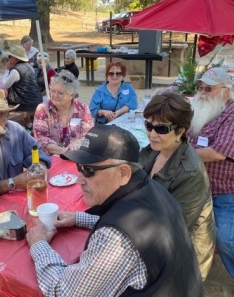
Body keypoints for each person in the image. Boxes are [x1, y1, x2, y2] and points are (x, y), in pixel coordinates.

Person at [27, 125, 203, 296]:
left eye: (88, 170)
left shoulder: (115, 239)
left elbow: (65, 292)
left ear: (123, 173)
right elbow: (135, 230)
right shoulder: (152, 188)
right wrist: (79, 218)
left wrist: (39, 245)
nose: (79, 180)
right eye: (79, 167)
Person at [188, 67, 234, 297]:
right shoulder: (202, 111)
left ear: (225, 91)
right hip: (197, 183)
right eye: (200, 87)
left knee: (225, 236)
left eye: (208, 88)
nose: (202, 92)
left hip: (226, 189)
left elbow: (217, 153)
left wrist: (179, 152)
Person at [138, 91, 215, 281]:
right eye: (148, 125)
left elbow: (173, 227)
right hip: (154, 231)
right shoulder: (154, 150)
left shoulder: (190, 172)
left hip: (184, 252)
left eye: (161, 129)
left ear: (180, 131)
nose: (152, 134)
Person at [33, 71, 93, 156]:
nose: (54, 95)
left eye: (60, 93)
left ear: (72, 95)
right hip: (52, 158)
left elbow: (89, 134)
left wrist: (79, 142)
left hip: (77, 155)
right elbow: (41, 138)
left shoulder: (82, 108)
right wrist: (63, 151)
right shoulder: (43, 109)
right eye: (52, 91)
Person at [2, 45, 42, 130]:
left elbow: (5, 85)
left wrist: (7, 70)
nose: (9, 59)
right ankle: (29, 125)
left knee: (3, 108)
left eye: (10, 57)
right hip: (36, 100)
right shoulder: (29, 66)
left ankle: (13, 129)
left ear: (15, 59)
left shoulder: (15, 70)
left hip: (24, 103)